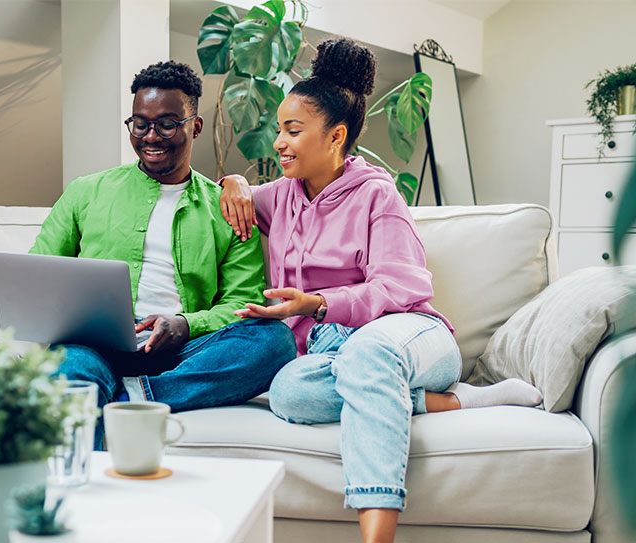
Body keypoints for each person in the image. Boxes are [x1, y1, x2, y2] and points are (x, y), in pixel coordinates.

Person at [219, 39, 543, 543]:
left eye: (293, 131)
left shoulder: (377, 194)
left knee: (368, 356)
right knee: (289, 391)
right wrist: (234, 180)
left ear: (336, 136)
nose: (278, 142)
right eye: (279, 130)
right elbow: (234, 195)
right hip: (330, 353)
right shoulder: (279, 196)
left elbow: (402, 286)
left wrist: (320, 304)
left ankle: (376, 535)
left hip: (405, 333)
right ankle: (462, 402)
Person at [29, 61, 296, 449]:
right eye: (140, 124)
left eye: (167, 124)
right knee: (69, 368)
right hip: (95, 346)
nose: (151, 136)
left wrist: (185, 324)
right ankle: (119, 413)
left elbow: (242, 303)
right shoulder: (86, 192)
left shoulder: (228, 209)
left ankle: (133, 398)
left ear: (195, 126)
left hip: (183, 351)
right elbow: (39, 273)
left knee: (273, 341)